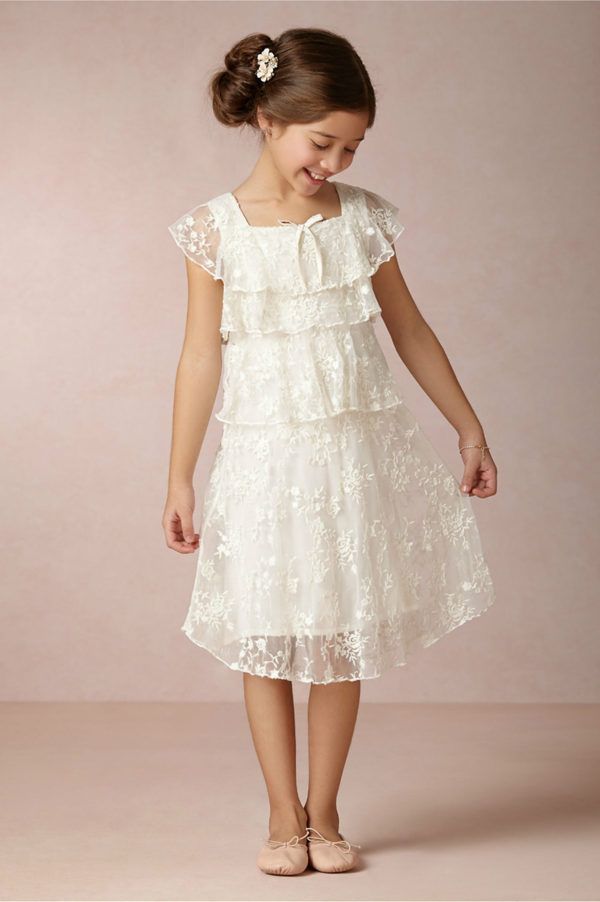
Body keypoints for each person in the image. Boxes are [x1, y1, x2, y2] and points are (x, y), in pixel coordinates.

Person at [163, 27, 497, 876]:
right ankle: (283, 816)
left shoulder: (363, 220)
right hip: (265, 463)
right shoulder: (214, 231)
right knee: (267, 633)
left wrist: (467, 424)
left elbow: (409, 328)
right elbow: (200, 356)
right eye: (323, 143)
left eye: (352, 147)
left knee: (340, 635)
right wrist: (179, 476)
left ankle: (327, 810)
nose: (336, 162)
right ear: (269, 118)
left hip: (350, 459)